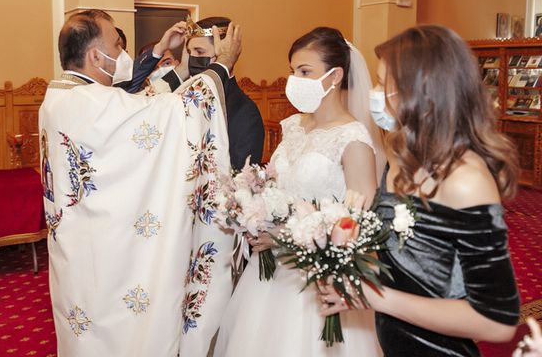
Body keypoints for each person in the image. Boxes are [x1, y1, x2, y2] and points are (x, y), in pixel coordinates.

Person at [39, 9, 242, 356]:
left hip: (79, 249)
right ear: (94, 56)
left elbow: (143, 103)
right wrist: (221, 65)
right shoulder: (91, 103)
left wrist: (174, 63)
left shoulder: (60, 96)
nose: (122, 53)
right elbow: (176, 112)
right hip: (107, 259)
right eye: (117, 45)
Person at [317, 25, 521, 356]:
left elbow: (497, 321)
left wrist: (376, 296)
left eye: (385, 83)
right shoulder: (399, 159)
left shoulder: (465, 179)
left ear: (422, 93)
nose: (375, 92)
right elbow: (409, 263)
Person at [214, 27, 384, 357]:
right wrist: (254, 210)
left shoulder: (353, 140)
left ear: (335, 75)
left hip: (316, 281)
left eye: (305, 71)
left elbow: (361, 225)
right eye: (293, 70)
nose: (294, 79)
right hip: (269, 274)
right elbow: (280, 188)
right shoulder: (293, 126)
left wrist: (282, 237)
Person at [162, 16, 265, 170]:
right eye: (190, 52)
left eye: (199, 51)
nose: (192, 59)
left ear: (223, 54)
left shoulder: (244, 111)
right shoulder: (183, 96)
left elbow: (242, 176)